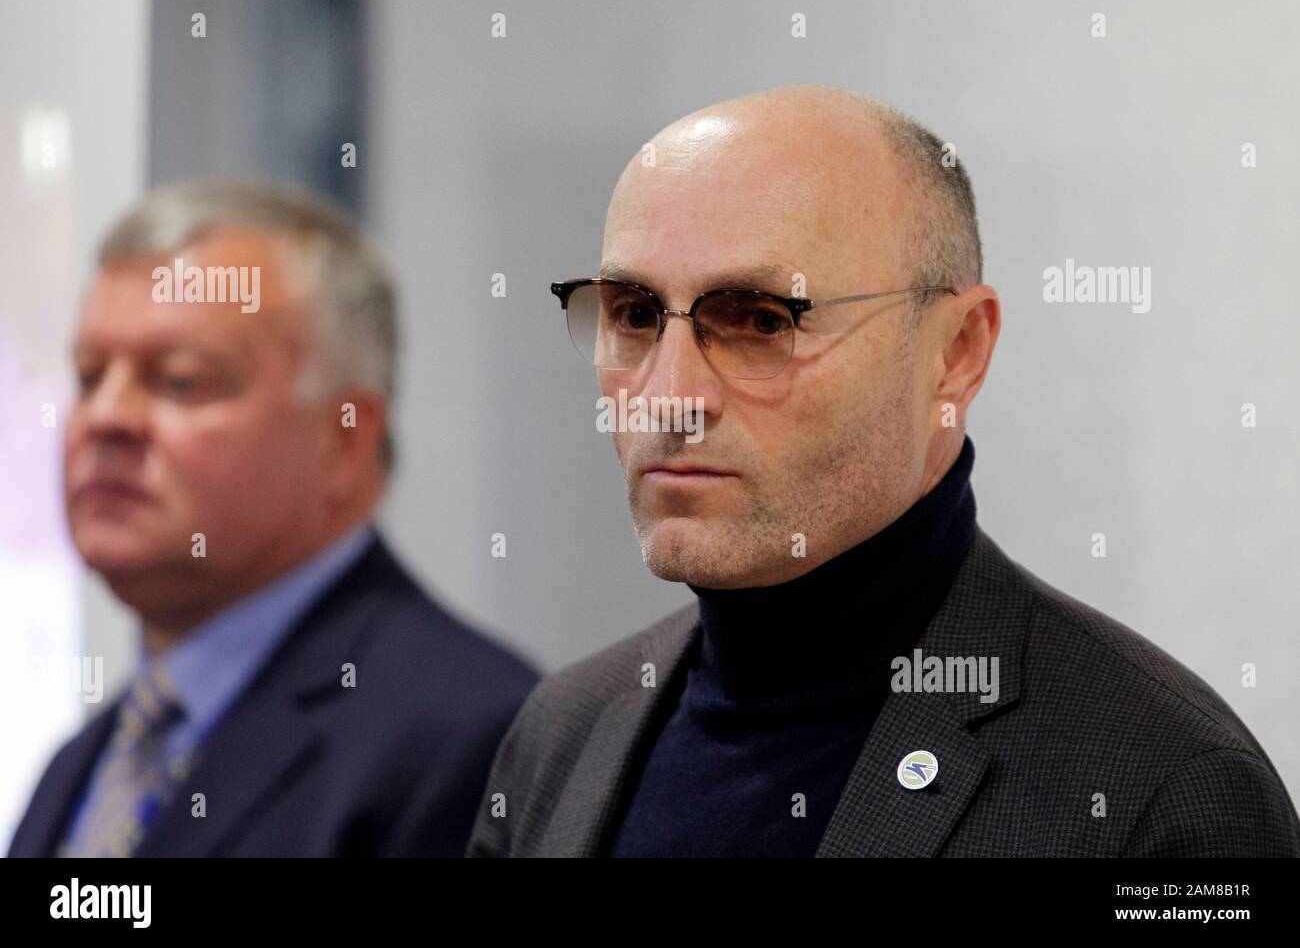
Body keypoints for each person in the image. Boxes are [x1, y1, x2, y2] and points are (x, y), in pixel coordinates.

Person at [467, 85, 1299, 857]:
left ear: (956, 353)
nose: (669, 398)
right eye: (636, 315)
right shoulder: (561, 734)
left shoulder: (1163, 794)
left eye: (761, 320)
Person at [9, 179, 538, 857]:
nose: (107, 418)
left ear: (343, 439)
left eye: (178, 380)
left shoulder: (466, 737)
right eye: (88, 375)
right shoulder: (84, 762)